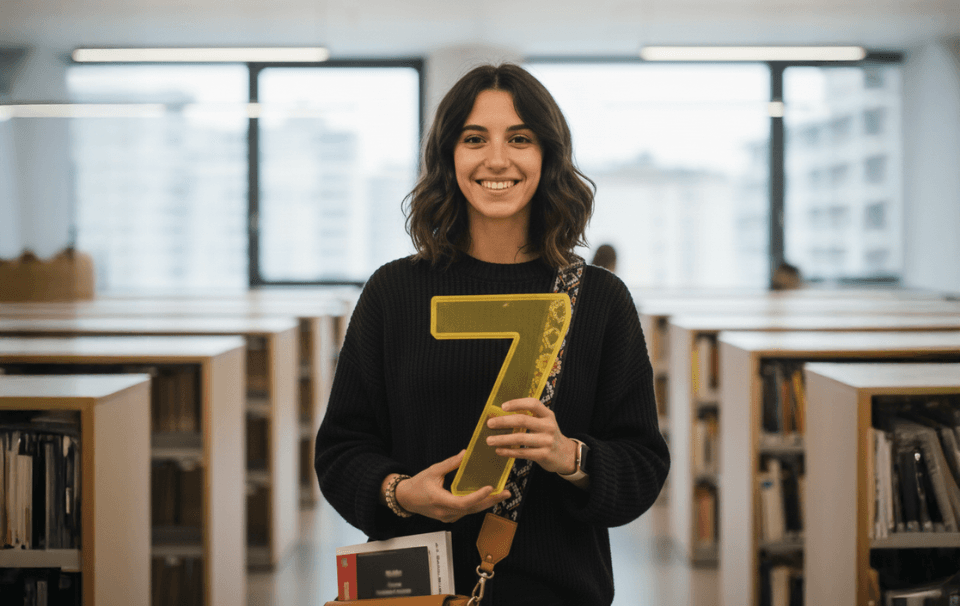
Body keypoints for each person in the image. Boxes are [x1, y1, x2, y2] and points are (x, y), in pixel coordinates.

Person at [314, 63, 669, 606]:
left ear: (548, 156)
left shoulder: (600, 299)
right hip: (411, 592)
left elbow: (642, 467)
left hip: (558, 591)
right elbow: (342, 451)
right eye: (474, 139)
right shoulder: (393, 291)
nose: (497, 159)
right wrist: (402, 493)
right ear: (447, 157)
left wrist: (568, 455)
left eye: (520, 139)